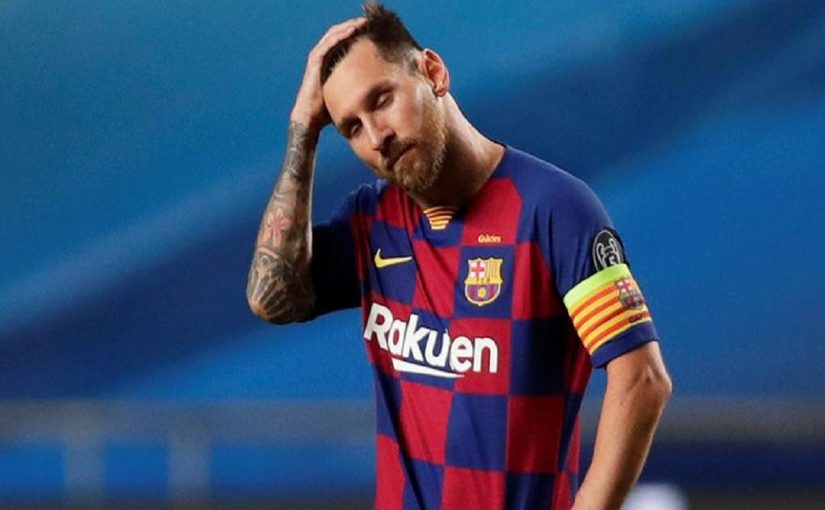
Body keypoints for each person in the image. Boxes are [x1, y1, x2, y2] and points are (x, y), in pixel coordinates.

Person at [246, 3, 672, 509]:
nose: (378, 137)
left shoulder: (554, 209)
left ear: (433, 72)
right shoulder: (372, 222)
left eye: (382, 99)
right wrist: (303, 128)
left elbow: (641, 379)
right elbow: (271, 298)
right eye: (352, 128)